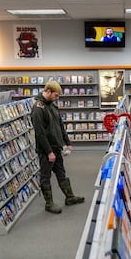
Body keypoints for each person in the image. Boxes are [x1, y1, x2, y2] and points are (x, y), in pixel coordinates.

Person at [31, 81, 85, 214]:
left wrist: (67, 142)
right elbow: (40, 133)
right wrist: (49, 152)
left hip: (56, 147)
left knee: (61, 172)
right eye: (56, 95)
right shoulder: (38, 108)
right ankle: (49, 204)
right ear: (48, 91)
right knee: (46, 176)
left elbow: (60, 125)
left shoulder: (52, 106)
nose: (57, 98)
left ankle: (70, 197)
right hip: (46, 150)